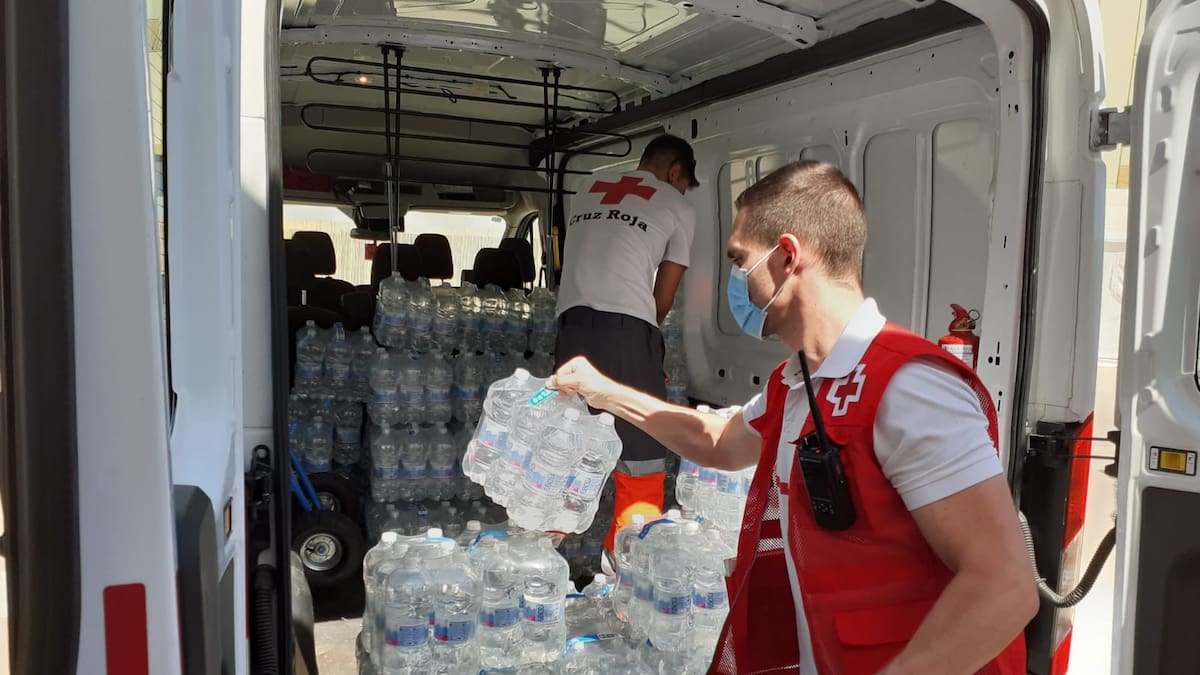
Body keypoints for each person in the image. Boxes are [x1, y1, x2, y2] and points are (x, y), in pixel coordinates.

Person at [550, 161, 1036, 674]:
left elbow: (1003, 586)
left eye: (740, 260)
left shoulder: (910, 388)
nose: (737, 280)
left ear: (787, 256)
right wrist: (603, 392)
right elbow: (717, 441)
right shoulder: (798, 382)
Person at [553, 133, 698, 554]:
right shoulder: (677, 205)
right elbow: (664, 296)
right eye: (684, 182)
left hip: (569, 327)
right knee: (641, 445)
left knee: (569, 444)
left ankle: (545, 559)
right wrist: (644, 341)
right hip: (626, 329)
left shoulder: (587, 189)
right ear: (675, 172)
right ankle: (631, 562)